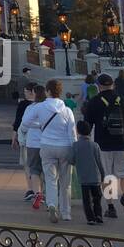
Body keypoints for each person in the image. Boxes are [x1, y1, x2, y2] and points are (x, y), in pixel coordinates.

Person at [82, 72, 124, 219]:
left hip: (102, 145)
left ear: (98, 86)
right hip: (123, 144)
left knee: (107, 175)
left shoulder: (94, 102)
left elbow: (87, 126)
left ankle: (110, 207)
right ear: (113, 85)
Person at [31, 78, 77, 223]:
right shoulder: (67, 110)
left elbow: (25, 122)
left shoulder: (40, 107)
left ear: (48, 91)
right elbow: (72, 133)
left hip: (46, 145)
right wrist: (73, 149)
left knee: (51, 179)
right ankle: (66, 212)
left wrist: (39, 125)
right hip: (64, 147)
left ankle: (52, 205)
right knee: (66, 182)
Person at [72, 120, 106, 225]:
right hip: (95, 177)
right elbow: (100, 162)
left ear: (77, 131)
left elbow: (71, 160)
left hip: (83, 178)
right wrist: (103, 175)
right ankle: (99, 215)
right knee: (97, 198)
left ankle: (90, 218)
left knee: (87, 200)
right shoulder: (95, 145)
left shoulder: (75, 145)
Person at [12, 83, 39, 201]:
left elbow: (18, 122)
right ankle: (41, 191)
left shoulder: (24, 105)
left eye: (26, 91)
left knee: (28, 165)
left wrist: (14, 137)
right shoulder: (43, 104)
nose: (24, 94)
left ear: (31, 92)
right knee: (40, 167)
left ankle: (31, 189)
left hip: (27, 140)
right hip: (42, 141)